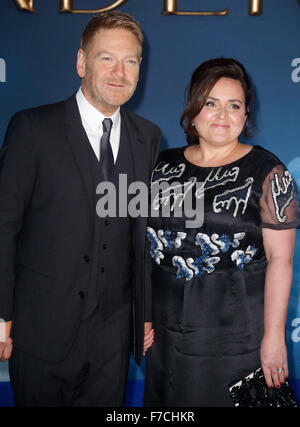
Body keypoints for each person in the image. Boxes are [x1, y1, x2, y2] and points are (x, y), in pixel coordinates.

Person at [0, 11, 161, 407]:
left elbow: (142, 236)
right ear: (81, 62)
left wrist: (144, 312)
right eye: (107, 58)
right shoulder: (33, 129)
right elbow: (3, 227)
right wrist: (1, 317)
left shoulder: (149, 137)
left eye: (131, 61)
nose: (119, 72)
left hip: (113, 337)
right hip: (41, 332)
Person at [143, 58, 299, 407]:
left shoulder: (270, 173)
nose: (221, 115)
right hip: (165, 334)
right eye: (211, 103)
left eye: (234, 106)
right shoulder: (159, 166)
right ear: (193, 108)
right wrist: (143, 315)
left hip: (237, 336)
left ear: (246, 115)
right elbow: (140, 250)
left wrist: (274, 337)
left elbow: (281, 259)